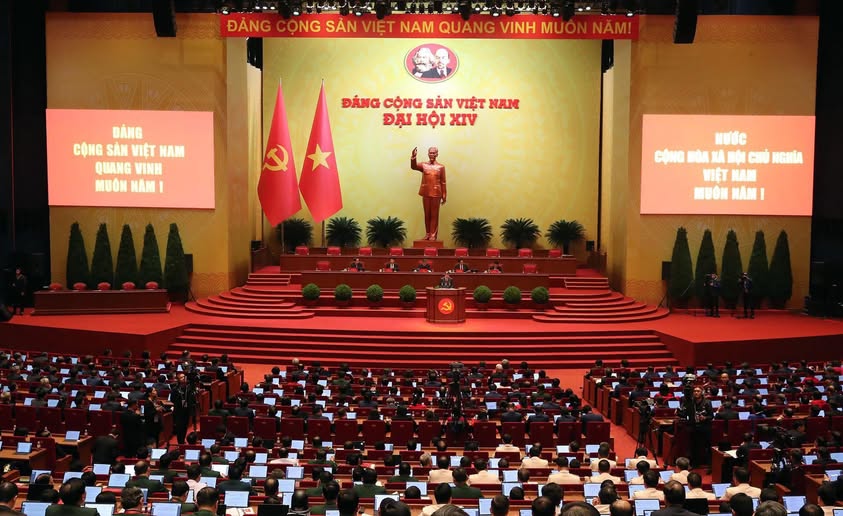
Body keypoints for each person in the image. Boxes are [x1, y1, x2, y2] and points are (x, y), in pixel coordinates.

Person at [410, 146, 447, 241]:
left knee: (434, 214)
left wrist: (444, 194)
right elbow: (414, 166)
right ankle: (427, 234)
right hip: (426, 192)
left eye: (434, 153)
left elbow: (443, 182)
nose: (432, 154)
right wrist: (413, 157)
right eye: (430, 153)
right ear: (428, 154)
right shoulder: (424, 165)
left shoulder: (441, 167)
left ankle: (433, 235)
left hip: (436, 194)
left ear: (437, 154)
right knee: (427, 214)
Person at [679, 386, 713, 468]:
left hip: (704, 427)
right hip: (693, 427)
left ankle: (709, 465)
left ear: (702, 392)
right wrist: (679, 412)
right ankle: (694, 464)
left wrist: (705, 418)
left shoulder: (707, 402)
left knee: (706, 447)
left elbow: (711, 416)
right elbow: (685, 414)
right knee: (693, 447)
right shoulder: (690, 402)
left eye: (698, 391)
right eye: (694, 391)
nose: (696, 393)